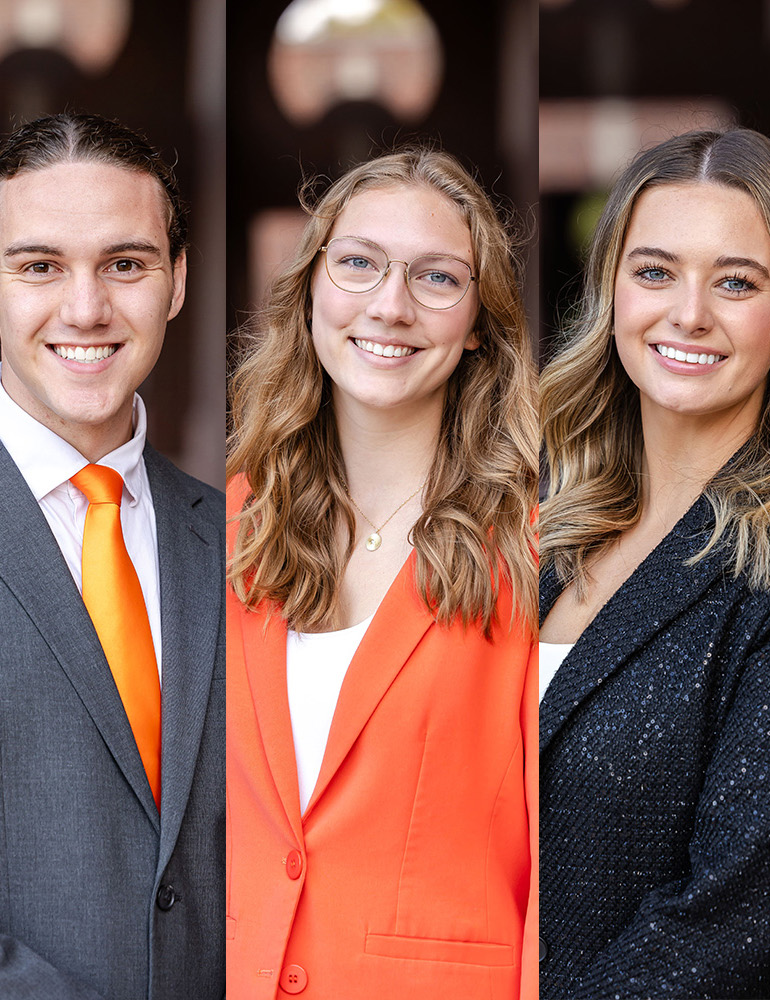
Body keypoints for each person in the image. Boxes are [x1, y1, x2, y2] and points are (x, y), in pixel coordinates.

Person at [0, 112, 226, 999]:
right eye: (40, 266)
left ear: (176, 283)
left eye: (125, 264)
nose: (85, 309)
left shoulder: (237, 543)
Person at [537, 127, 770, 998]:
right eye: (655, 271)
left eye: (736, 282)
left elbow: (738, 918)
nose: (689, 314)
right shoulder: (547, 527)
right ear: (610, 292)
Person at [224, 147, 539, 999]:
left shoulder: (534, 551)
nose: (390, 306)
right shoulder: (223, 529)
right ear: (314, 287)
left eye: (437, 278)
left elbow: (558, 859)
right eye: (359, 264)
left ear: (479, 319)